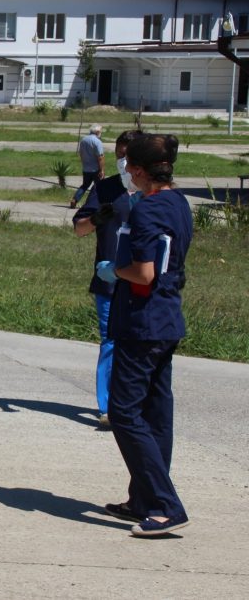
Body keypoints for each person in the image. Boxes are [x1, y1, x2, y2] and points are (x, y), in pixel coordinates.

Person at [95, 133, 193, 537]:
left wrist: (113, 269)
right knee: (155, 413)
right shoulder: (179, 203)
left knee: (124, 412)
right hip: (167, 317)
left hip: (141, 321)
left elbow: (143, 272)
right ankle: (143, 497)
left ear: (137, 169)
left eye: (128, 166)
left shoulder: (147, 211)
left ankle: (165, 504)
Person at [73, 129, 142, 428]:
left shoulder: (150, 194)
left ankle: (135, 402)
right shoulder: (105, 189)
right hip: (108, 280)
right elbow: (79, 230)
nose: (123, 163)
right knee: (110, 341)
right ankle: (108, 406)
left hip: (141, 281)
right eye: (119, 156)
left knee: (140, 343)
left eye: (129, 157)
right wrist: (96, 218)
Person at [71, 124, 105, 209]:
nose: (101, 133)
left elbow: (81, 154)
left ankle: (75, 199)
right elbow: (100, 157)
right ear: (97, 132)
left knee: (84, 186)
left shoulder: (83, 140)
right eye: (100, 132)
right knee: (100, 187)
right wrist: (102, 170)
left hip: (86, 168)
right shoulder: (97, 141)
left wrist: (84, 164)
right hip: (96, 169)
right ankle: (98, 204)